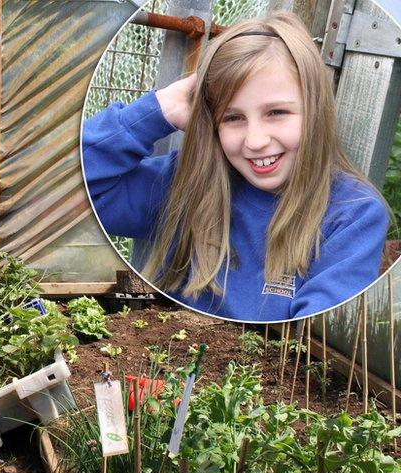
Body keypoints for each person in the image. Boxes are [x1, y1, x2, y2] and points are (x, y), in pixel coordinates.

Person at [83, 12, 389, 322]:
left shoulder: (352, 214)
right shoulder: (187, 184)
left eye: (277, 112)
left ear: (316, 111)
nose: (255, 141)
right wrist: (158, 110)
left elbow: (313, 340)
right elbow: (74, 190)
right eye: (232, 118)